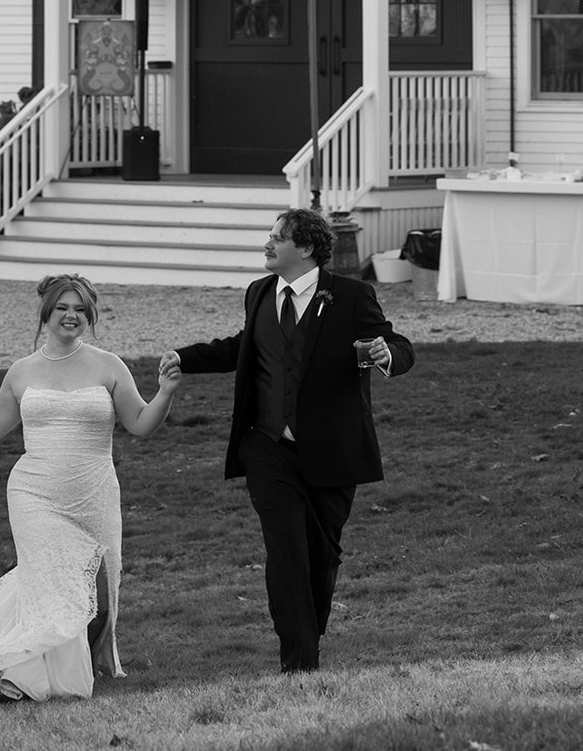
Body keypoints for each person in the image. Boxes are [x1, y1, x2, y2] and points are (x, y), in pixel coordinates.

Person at [160, 208, 414, 674]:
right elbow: (244, 347)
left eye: (278, 237)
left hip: (333, 451)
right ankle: (298, 667)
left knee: (321, 558)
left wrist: (385, 354)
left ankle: (306, 639)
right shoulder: (259, 293)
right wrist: (186, 357)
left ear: (307, 248)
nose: (268, 243)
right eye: (270, 235)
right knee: (285, 554)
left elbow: (399, 347)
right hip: (267, 447)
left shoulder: (352, 296)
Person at [0, 273, 180, 703]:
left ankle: (90, 659)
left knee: (100, 595)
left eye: (80, 309)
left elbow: (141, 424)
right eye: (62, 308)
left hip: (94, 491)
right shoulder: (22, 371)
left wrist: (165, 394)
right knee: (53, 586)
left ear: (90, 316)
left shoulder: (109, 365)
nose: (71, 316)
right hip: (34, 493)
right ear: (46, 313)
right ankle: (32, 677)